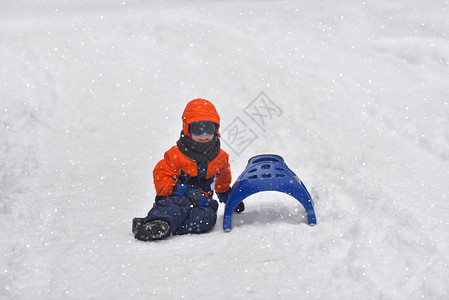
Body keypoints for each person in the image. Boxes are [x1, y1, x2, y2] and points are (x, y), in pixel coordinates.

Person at [133, 98, 244, 241]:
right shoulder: (176, 155)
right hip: (174, 197)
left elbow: (222, 180)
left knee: (207, 219)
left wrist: (228, 198)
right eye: (198, 129)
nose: (204, 134)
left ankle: (157, 225)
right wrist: (181, 190)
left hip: (202, 201)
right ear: (187, 129)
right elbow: (161, 175)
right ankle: (159, 222)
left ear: (216, 129)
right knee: (179, 206)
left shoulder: (220, 158)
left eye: (209, 128)